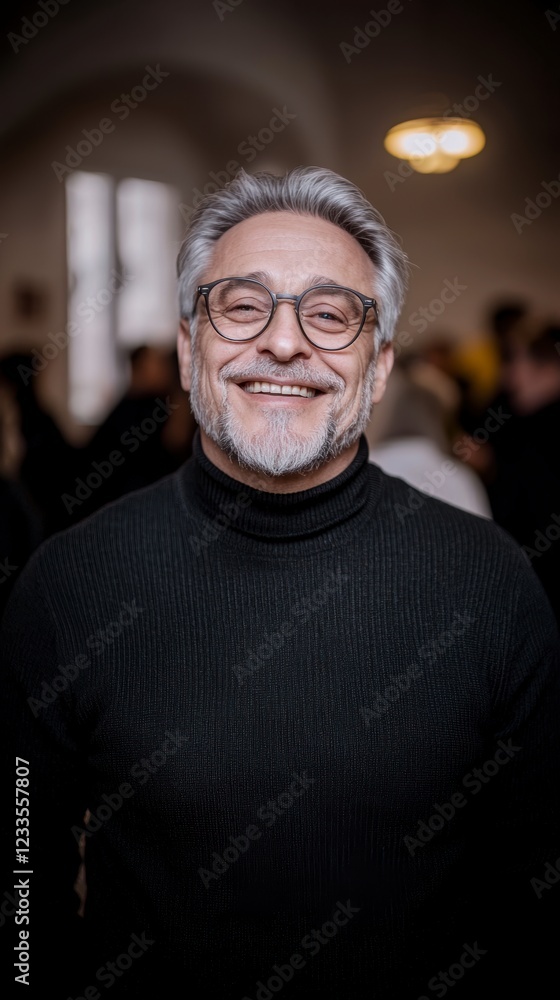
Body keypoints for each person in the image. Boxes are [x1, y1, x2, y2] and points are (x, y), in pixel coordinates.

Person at [1, 166, 558, 1000]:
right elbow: (19, 890)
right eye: (243, 305)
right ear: (190, 350)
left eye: (331, 315)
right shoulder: (71, 585)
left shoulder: (490, 584)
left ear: (377, 367)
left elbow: (536, 901)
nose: (286, 343)